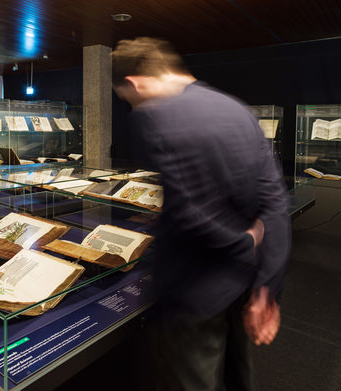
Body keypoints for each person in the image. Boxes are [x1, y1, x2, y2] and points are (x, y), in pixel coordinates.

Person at [111, 37, 291, 390]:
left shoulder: (155, 116)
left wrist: (242, 243)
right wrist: (267, 288)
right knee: (239, 376)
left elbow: (191, 216)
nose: (133, 107)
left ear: (135, 82)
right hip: (243, 281)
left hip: (191, 290)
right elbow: (274, 202)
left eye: (127, 100)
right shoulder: (236, 109)